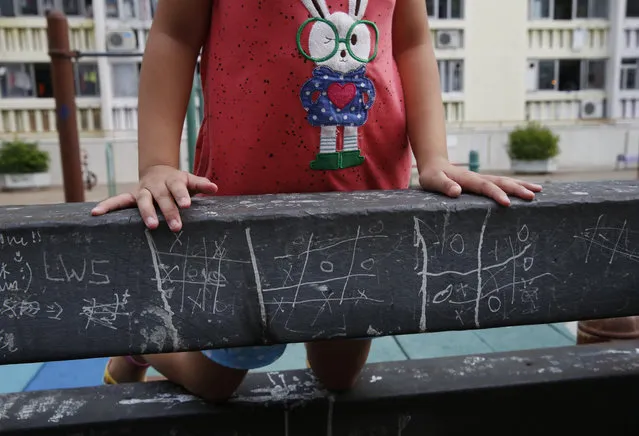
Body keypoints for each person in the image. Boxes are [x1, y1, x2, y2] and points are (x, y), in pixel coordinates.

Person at [91, 0, 542, 402]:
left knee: (339, 376)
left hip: (362, 205)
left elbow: (411, 43)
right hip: (246, 210)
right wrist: (156, 163)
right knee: (216, 382)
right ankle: (141, 346)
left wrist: (435, 157)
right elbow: (174, 33)